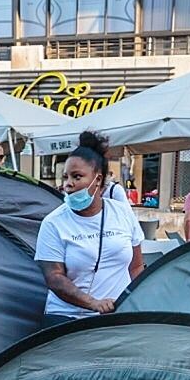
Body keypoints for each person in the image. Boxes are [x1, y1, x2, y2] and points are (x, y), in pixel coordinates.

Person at [34, 131, 146, 324]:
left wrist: (140, 305)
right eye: (65, 177)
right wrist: (93, 303)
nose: (68, 184)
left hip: (118, 317)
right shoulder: (53, 223)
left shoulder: (122, 213)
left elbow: (135, 267)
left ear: (99, 180)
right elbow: (54, 278)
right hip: (67, 319)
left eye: (77, 177)